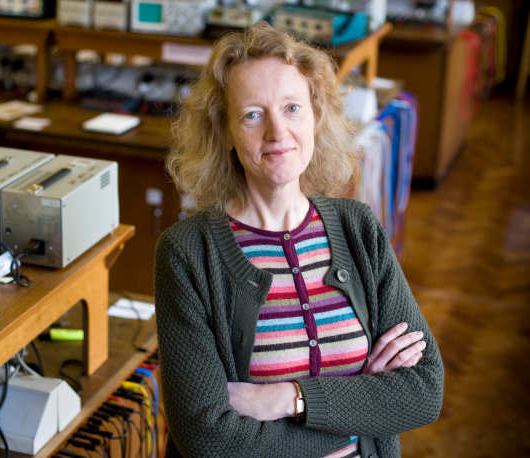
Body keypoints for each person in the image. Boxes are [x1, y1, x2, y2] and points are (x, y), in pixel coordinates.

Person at [154, 22, 444, 458]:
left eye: (292, 108)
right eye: (253, 114)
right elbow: (208, 439)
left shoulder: (359, 228)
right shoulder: (187, 254)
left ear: (316, 116)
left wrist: (288, 398)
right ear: (226, 131)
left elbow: (423, 390)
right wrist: (360, 410)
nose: (277, 132)